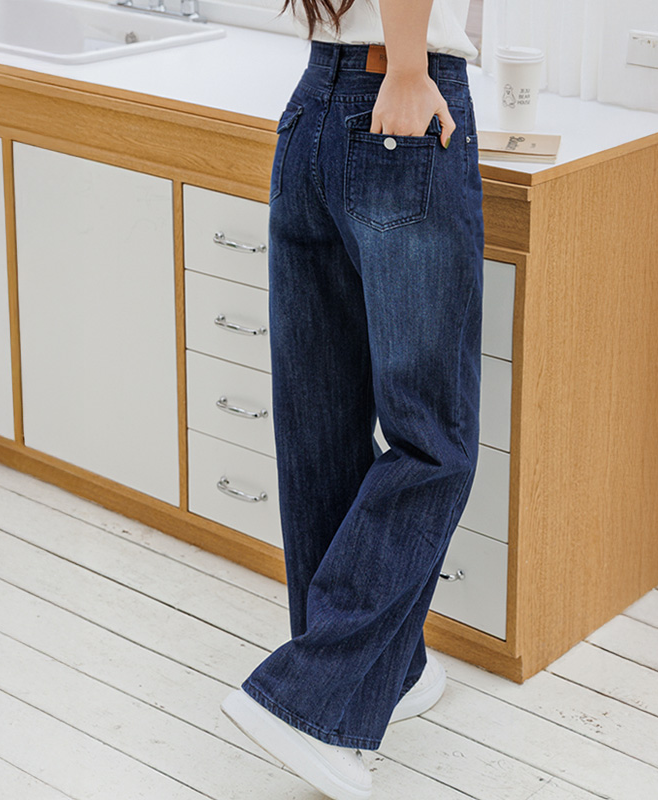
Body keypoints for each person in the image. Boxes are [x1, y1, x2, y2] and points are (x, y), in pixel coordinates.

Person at [220, 1, 485, 797]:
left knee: (323, 425)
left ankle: (383, 673)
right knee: (432, 441)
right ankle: (310, 701)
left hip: (315, 105)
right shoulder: (406, 70)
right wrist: (407, 67)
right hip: (397, 99)